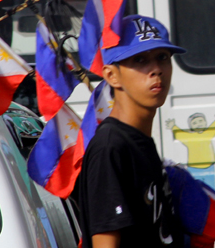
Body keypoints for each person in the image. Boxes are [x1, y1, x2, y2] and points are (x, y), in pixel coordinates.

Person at [73, 14, 186, 248]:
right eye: (140, 60)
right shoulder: (111, 147)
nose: (156, 69)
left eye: (163, 57)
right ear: (112, 76)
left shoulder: (139, 140)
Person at [167, 111, 215, 190]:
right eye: (194, 123)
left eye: (200, 121)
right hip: (194, 169)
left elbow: (214, 127)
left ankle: (211, 202)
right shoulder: (189, 137)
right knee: (196, 189)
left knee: (211, 188)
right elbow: (180, 135)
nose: (198, 124)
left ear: (205, 122)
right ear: (191, 126)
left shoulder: (207, 134)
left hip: (209, 168)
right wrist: (173, 126)